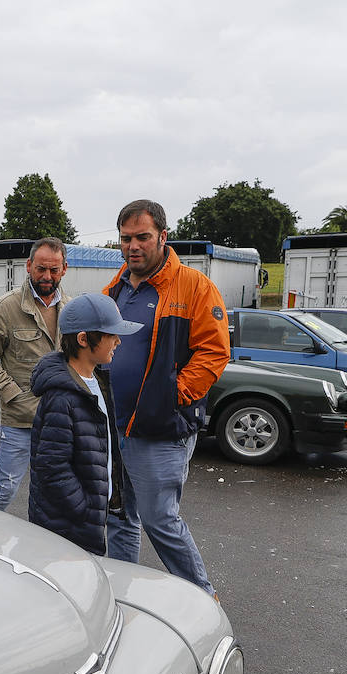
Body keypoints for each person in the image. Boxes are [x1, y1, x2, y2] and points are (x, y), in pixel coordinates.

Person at [101, 200, 230, 595]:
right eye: (125, 239)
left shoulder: (193, 286)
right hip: (115, 425)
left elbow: (215, 351)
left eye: (142, 237)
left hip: (160, 427)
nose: (133, 247)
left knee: (160, 518)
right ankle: (121, 594)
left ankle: (203, 597)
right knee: (120, 514)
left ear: (162, 236)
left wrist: (172, 395)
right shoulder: (115, 288)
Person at [28, 293, 142, 554]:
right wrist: (86, 507)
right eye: (110, 335)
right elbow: (52, 467)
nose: (118, 341)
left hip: (86, 520)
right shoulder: (61, 397)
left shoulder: (98, 381)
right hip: (68, 527)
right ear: (83, 339)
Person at [0, 237, 69, 509]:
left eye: (53, 269)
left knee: (54, 492)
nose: (47, 276)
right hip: (19, 421)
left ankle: (42, 548)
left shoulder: (71, 310)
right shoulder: (7, 308)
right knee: (5, 489)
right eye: (41, 268)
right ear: (28, 266)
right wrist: (12, 394)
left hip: (58, 420)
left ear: (64, 269)